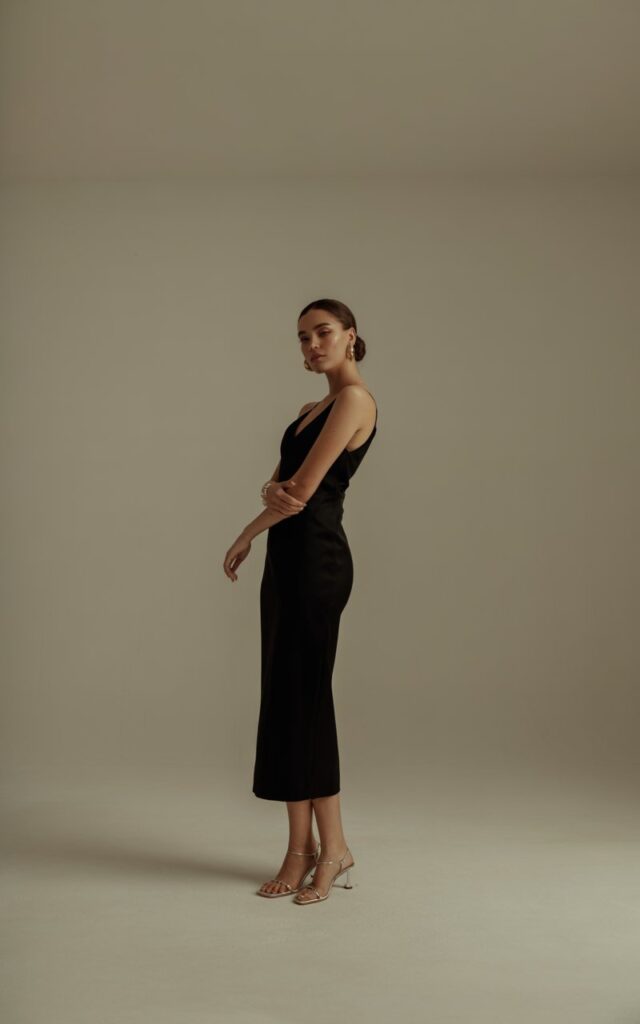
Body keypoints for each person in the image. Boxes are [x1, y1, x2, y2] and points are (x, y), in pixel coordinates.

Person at [223, 298, 378, 905]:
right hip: (286, 566)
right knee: (287, 700)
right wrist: (273, 495)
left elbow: (301, 492)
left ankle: (332, 849)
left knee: (308, 700)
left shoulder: (355, 401)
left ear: (350, 337)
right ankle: (302, 849)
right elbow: (280, 484)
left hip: (317, 565)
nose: (312, 346)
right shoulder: (310, 409)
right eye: (303, 337)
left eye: (323, 333)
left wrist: (245, 530)